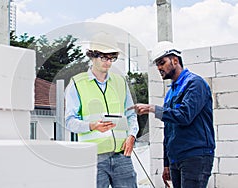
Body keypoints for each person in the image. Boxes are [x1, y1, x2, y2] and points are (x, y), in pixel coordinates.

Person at [128, 41, 215, 188]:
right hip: (177, 158)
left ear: (175, 60)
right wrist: (167, 163)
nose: (159, 68)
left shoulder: (195, 84)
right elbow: (169, 130)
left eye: (162, 63)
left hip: (195, 155)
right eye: (157, 65)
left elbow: (184, 115)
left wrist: (152, 108)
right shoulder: (171, 92)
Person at [65, 32, 139, 188]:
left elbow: (131, 114)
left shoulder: (120, 82)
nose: (108, 62)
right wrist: (92, 126)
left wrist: (132, 135)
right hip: (93, 158)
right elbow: (69, 121)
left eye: (111, 58)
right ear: (92, 56)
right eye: (103, 57)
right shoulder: (77, 84)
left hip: (121, 155)